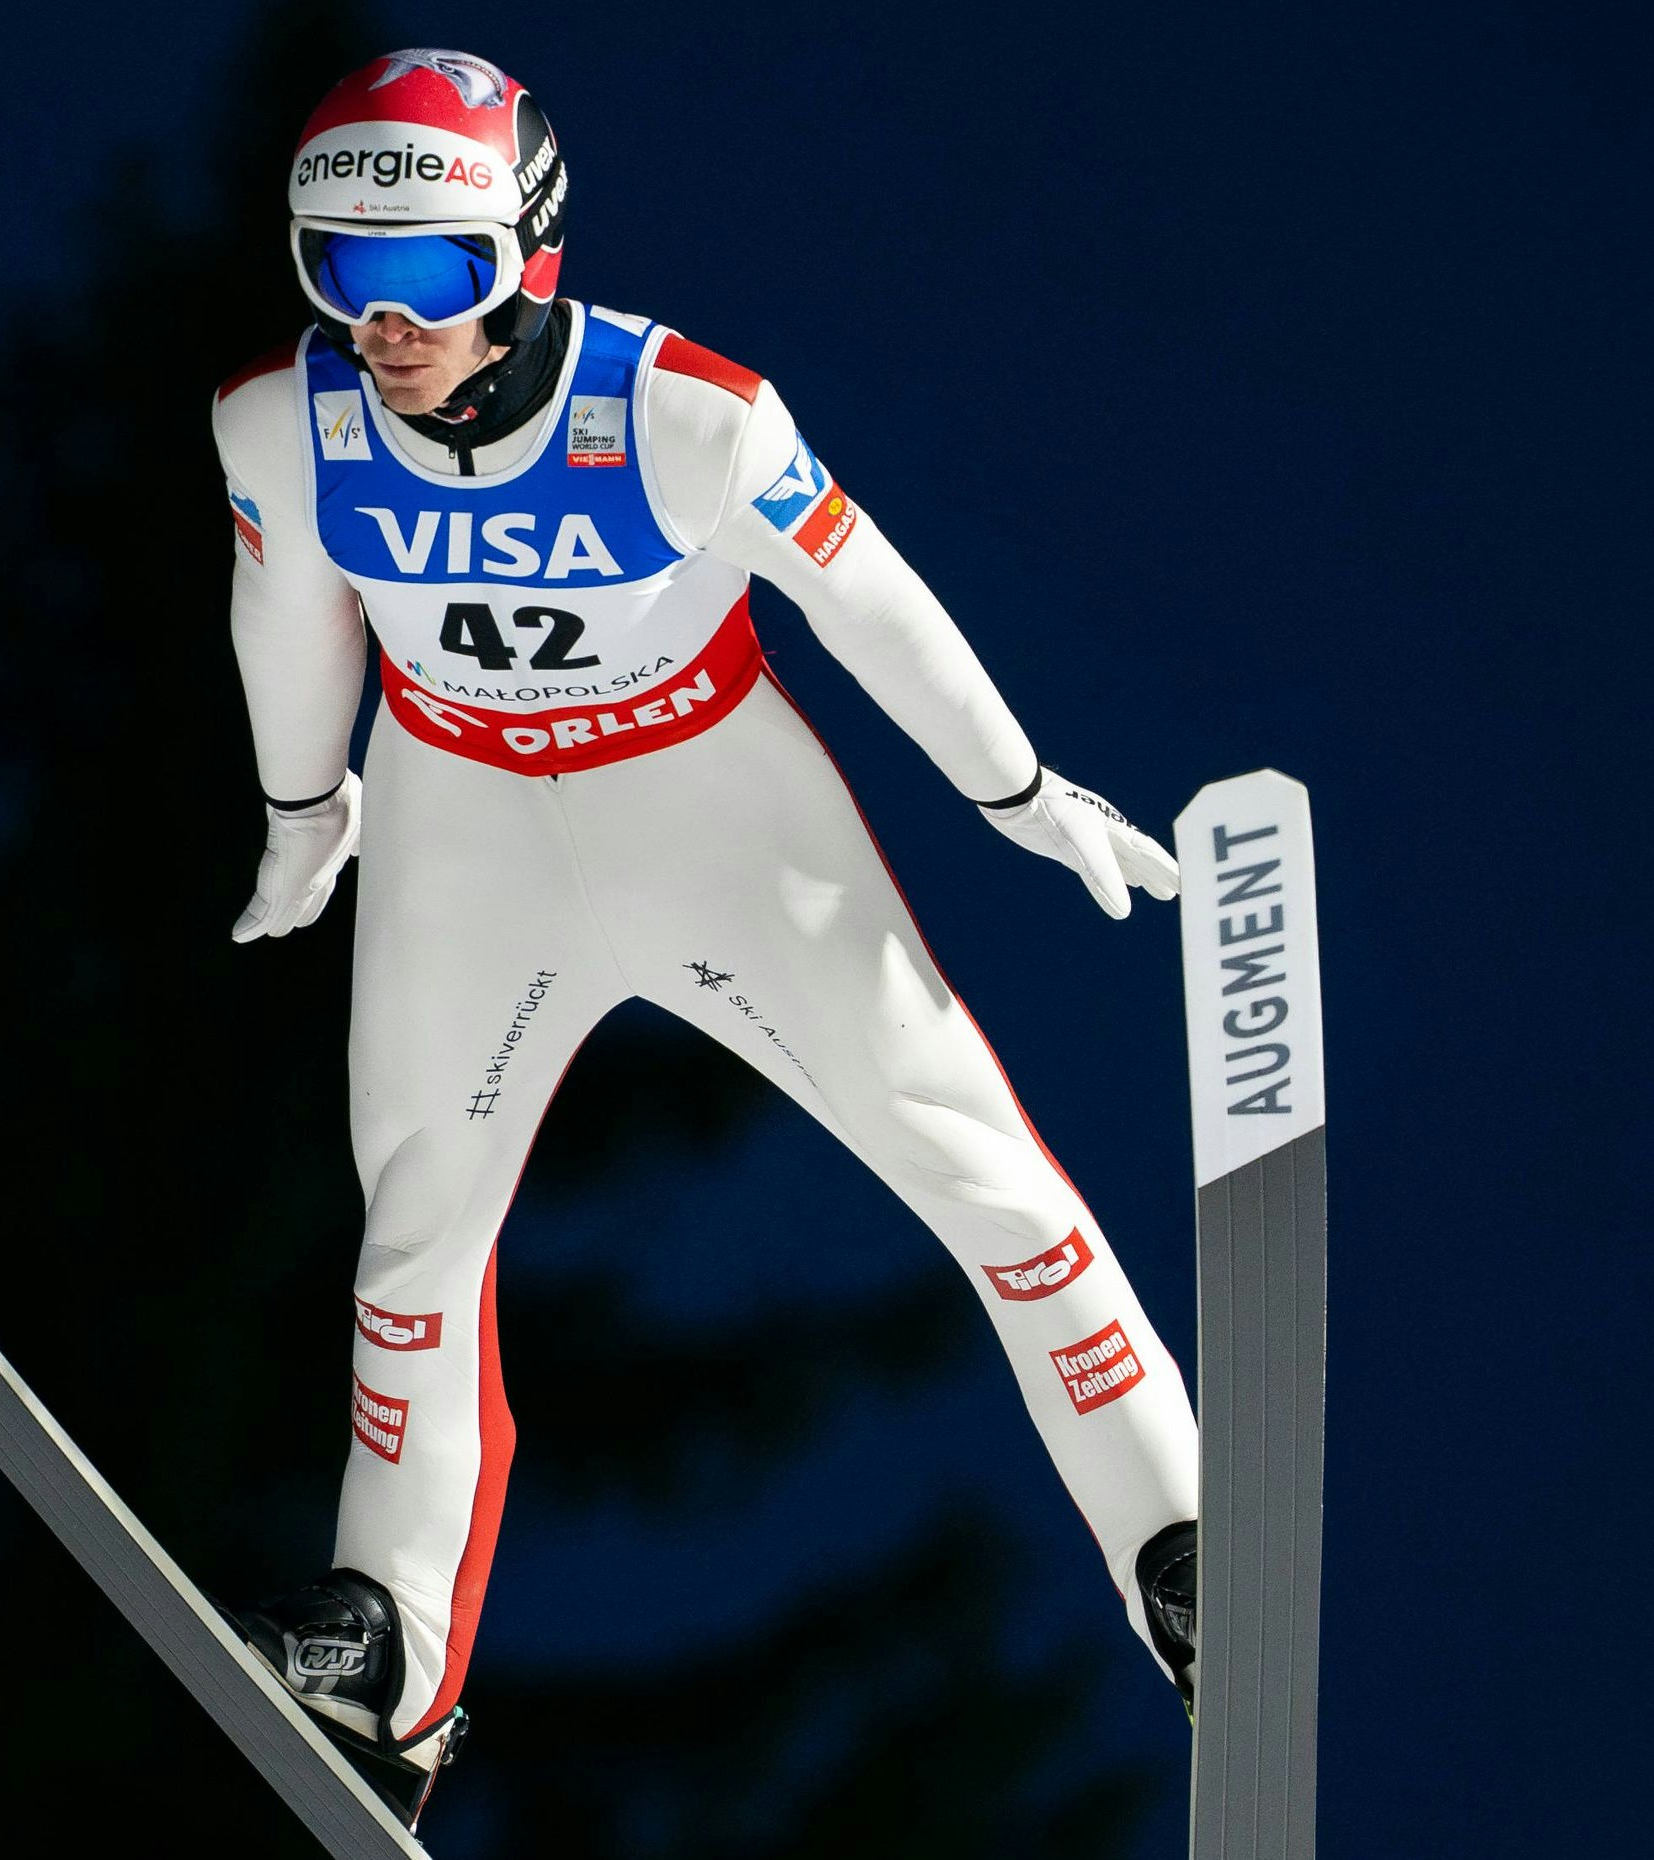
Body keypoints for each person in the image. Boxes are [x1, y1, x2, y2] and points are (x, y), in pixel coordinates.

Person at [213, 47, 1201, 1820]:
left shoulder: (687, 415)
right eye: (339, 275)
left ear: (524, 250)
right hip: (463, 825)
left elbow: (873, 604)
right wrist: (308, 813)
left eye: (429, 273)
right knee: (416, 1231)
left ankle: (1186, 1546)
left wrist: (1019, 792)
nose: (384, 321)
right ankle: (390, 1647)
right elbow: (283, 608)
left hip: (712, 817)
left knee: (979, 1176)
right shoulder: (279, 426)